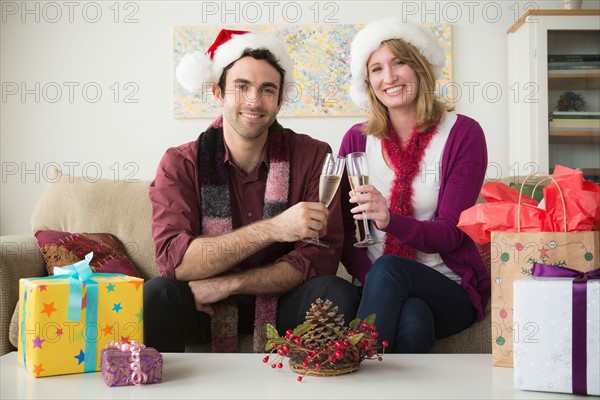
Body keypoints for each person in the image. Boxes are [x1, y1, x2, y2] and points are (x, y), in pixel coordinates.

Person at [145, 29, 359, 353]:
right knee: (155, 295)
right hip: (202, 307)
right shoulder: (179, 163)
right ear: (218, 94)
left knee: (336, 293)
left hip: (281, 302)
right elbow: (177, 264)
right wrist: (275, 228)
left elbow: (319, 258)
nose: (254, 101)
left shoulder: (314, 156)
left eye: (267, 90)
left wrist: (230, 284)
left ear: (280, 100)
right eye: (241, 87)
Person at [338, 18, 491, 353]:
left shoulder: (463, 134)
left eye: (400, 63)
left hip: (448, 286)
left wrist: (390, 219)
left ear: (420, 67)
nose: (389, 77)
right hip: (381, 286)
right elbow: (346, 232)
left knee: (391, 268)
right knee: (413, 318)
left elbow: (451, 233)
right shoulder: (356, 140)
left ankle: (348, 364)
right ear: (368, 81)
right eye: (376, 69)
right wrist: (374, 280)